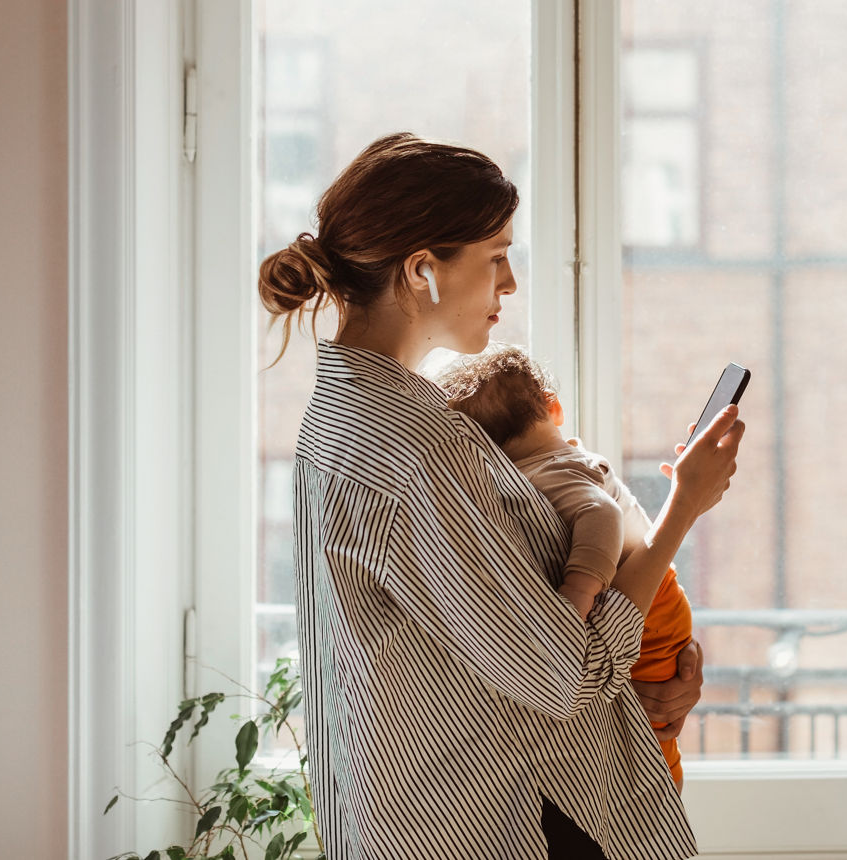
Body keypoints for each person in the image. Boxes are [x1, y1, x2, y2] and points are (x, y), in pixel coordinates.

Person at [258, 132, 744, 859]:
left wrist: (653, 673)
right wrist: (684, 507)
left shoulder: (344, 416)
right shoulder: (420, 446)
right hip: (501, 825)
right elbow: (569, 675)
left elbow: (493, 642)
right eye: (495, 258)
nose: (509, 284)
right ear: (423, 270)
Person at [437, 344, 699, 790]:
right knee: (655, 717)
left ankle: (662, 787)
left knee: (652, 727)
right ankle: (663, 785)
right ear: (554, 409)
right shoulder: (568, 458)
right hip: (656, 599)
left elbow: (602, 515)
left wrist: (578, 590)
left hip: (648, 607)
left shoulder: (546, 473)